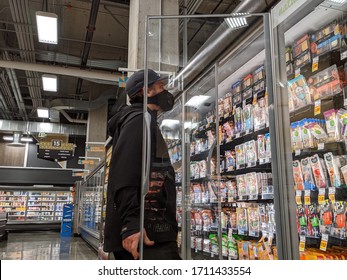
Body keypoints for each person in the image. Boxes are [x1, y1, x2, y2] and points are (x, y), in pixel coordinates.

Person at [104, 69, 180, 260]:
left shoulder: (141, 120)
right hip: (146, 236)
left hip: (150, 232)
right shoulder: (139, 120)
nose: (166, 91)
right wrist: (132, 224)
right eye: (161, 86)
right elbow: (124, 175)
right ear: (147, 91)